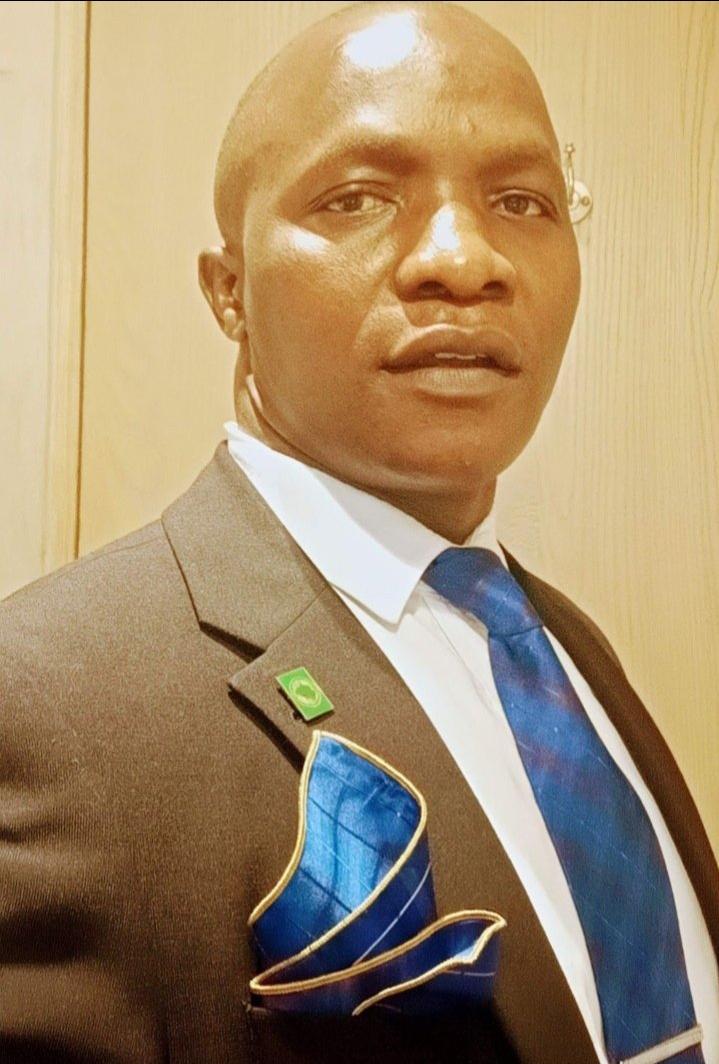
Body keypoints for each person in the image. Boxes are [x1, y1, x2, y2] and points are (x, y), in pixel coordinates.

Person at [1, 2, 717, 1062]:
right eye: (358, 199)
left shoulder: (562, 650)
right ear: (230, 292)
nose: (464, 260)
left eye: (520, 201)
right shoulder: (48, 704)